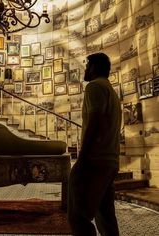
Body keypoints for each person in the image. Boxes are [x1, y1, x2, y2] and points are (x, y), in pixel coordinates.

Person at [68, 53, 121, 236]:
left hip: (96, 160)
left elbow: (95, 122)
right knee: (105, 216)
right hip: (110, 160)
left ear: (95, 68)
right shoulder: (111, 91)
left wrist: (82, 159)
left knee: (78, 214)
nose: (86, 69)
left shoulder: (94, 87)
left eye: (88, 65)